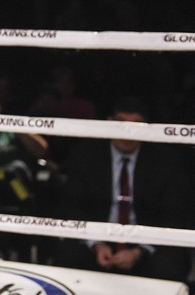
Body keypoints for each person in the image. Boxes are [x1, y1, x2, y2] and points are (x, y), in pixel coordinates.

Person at [55, 95, 191, 283]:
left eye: (136, 125)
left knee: (171, 264)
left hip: (146, 240)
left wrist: (139, 251)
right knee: (68, 257)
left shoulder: (165, 161)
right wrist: (96, 244)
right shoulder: (86, 155)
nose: (127, 132)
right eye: (121, 123)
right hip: (97, 236)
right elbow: (73, 205)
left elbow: (173, 212)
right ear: (109, 123)